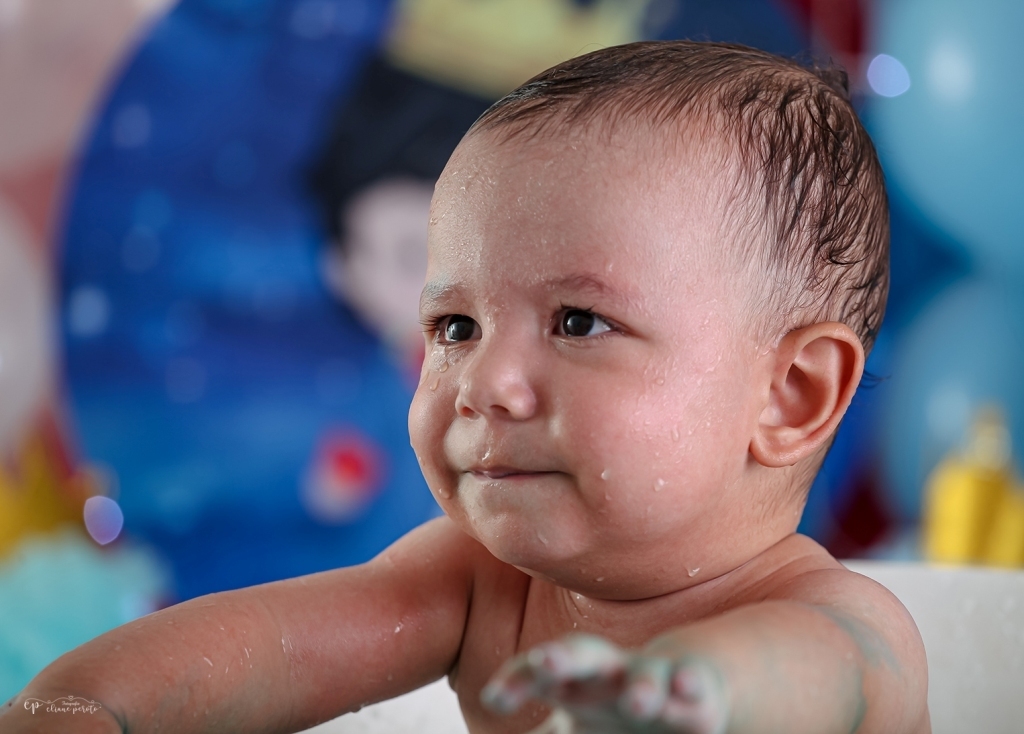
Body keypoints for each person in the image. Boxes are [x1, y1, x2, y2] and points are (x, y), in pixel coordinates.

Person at [1, 41, 929, 734]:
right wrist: (81, 703)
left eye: (579, 322)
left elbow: (810, 677)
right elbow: (269, 649)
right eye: (455, 327)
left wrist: (694, 688)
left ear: (790, 396)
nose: (485, 383)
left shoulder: (836, 623)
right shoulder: (479, 585)